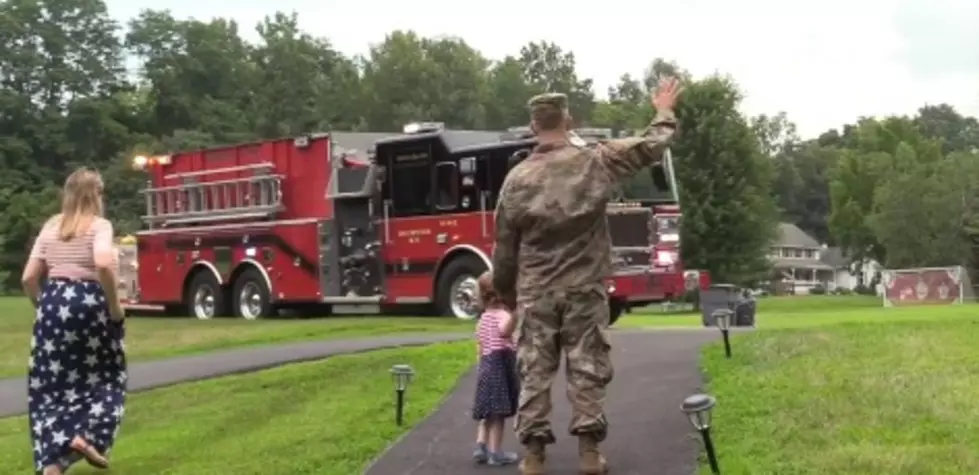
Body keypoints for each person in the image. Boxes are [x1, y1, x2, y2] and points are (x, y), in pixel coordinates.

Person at [491, 77, 684, 475]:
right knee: (587, 368)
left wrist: (507, 297)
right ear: (569, 119)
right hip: (585, 288)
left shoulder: (516, 181)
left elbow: (504, 249)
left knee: (535, 371)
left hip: (536, 292)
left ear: (532, 127)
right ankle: (590, 454)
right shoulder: (597, 161)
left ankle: (533, 457)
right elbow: (652, 144)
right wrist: (663, 109)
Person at [22, 168, 128, 475]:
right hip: (89, 303)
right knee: (108, 378)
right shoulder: (99, 226)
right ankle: (87, 435)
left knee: (50, 387)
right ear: (95, 194)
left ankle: (51, 464)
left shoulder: (51, 226)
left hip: (53, 303)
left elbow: (29, 277)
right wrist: (113, 306)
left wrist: (43, 308)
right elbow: (104, 264)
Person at [470, 271, 520, 466]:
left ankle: (481, 446)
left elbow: (480, 345)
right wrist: (516, 315)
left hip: (486, 366)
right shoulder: (503, 315)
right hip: (500, 367)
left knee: (487, 414)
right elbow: (504, 331)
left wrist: (481, 365)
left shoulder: (483, 319)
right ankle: (495, 453)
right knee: (498, 415)